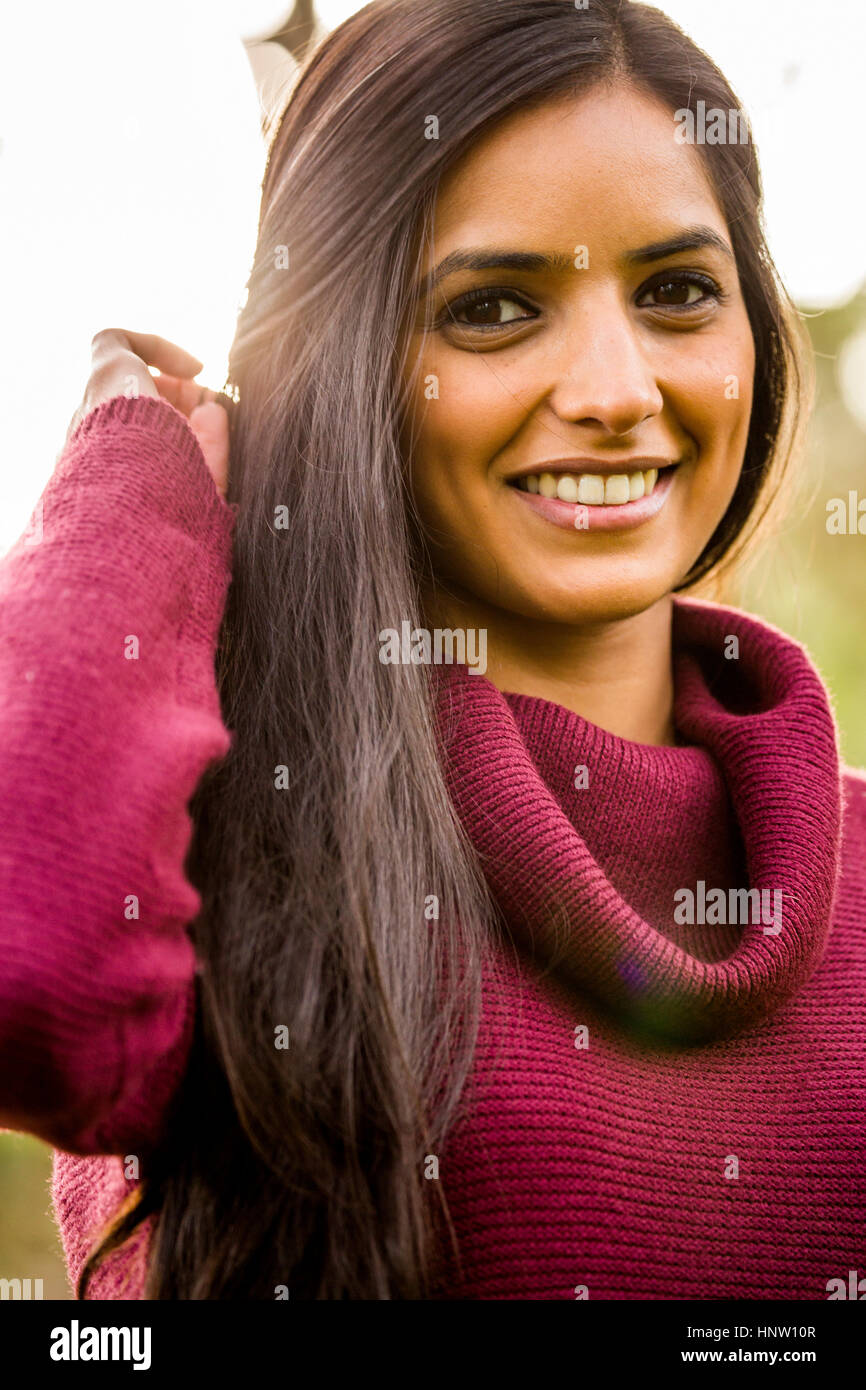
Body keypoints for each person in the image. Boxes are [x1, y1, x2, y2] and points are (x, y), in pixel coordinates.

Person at [1, 0, 864, 1301]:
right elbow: (26, 964)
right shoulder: (229, 877)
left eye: (678, 290)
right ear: (343, 356)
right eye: (495, 308)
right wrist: (141, 466)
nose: (617, 388)